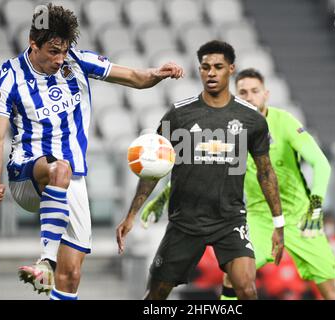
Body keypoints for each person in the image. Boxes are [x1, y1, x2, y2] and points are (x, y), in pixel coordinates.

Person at [0, 3, 183, 300]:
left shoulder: (76, 62)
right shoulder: (10, 75)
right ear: (32, 43)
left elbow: (135, 78)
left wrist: (158, 73)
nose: (60, 58)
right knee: (59, 169)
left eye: (64, 50)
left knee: (72, 274)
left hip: (70, 179)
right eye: (53, 51)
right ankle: (46, 260)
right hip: (27, 174)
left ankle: (52, 274)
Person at [142, 68, 335, 300]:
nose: (250, 96)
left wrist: (316, 204)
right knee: (234, 275)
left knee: (332, 289)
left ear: (266, 94)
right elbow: (202, 170)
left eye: (255, 91)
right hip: (258, 218)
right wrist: (163, 197)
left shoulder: (285, 122)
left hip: (300, 217)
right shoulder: (230, 129)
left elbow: (321, 164)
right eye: (243, 92)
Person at [116, 41, 284, 300]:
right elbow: (153, 168)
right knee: (156, 295)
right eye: (205, 67)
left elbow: (266, 172)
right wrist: (131, 215)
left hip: (230, 220)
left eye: (218, 67)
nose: (211, 73)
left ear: (231, 69)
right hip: (185, 222)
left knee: (247, 289)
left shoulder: (252, 119)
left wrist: (278, 223)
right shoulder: (179, 115)